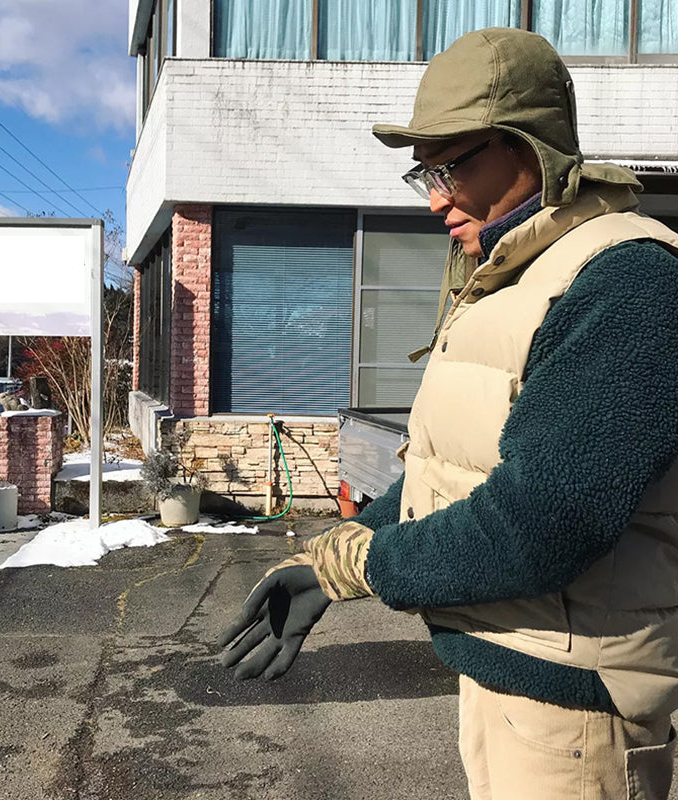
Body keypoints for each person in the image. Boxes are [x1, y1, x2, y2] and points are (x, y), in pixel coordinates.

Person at [218, 27, 678, 800]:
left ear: (531, 149)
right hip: (504, 672)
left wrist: (360, 567)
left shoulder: (624, 281)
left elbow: (540, 522)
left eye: (453, 165)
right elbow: (453, 474)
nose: (436, 198)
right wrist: (327, 562)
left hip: (577, 709)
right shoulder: (511, 279)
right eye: (424, 171)